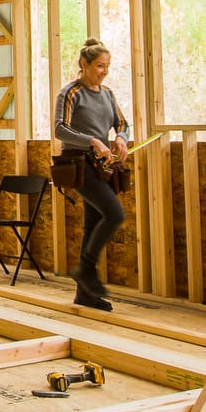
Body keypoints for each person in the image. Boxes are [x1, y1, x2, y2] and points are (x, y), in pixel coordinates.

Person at [54, 37, 130, 312]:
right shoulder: (71, 93)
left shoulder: (107, 94)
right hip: (77, 165)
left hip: (101, 167)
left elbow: (121, 122)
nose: (104, 71)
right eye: (99, 66)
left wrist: (120, 138)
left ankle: (84, 295)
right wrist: (93, 141)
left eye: (107, 66)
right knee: (115, 214)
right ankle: (85, 270)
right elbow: (60, 129)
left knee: (92, 224)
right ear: (84, 65)